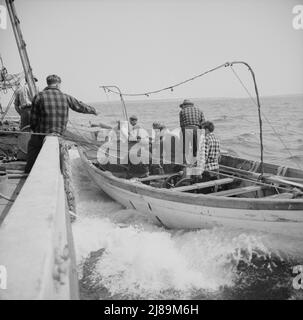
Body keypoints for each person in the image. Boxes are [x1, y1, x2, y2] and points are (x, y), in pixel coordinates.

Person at [24, 74, 97, 173]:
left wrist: (36, 130)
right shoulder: (65, 97)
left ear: (48, 83)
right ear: (58, 85)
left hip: (42, 134)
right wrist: (94, 111)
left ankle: (29, 171)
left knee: (32, 145)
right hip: (59, 134)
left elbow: (33, 120)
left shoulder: (39, 96)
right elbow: (80, 106)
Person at [179, 99, 205, 164]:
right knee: (196, 147)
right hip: (196, 129)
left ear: (184, 105)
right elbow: (203, 123)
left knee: (186, 147)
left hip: (186, 129)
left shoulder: (182, 111)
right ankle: (196, 161)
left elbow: (181, 124)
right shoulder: (199, 110)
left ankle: (185, 162)